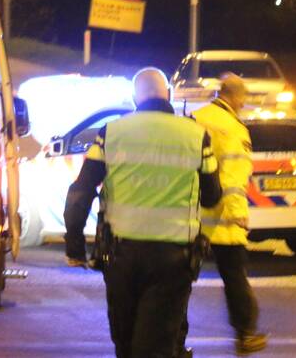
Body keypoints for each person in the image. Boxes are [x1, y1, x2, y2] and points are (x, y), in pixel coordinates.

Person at [64, 68, 221, 358]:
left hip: (121, 257)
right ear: (168, 95)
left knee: (125, 344)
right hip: (173, 259)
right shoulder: (196, 136)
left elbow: (81, 191)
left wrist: (74, 244)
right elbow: (213, 196)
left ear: (135, 97)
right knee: (157, 345)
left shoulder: (111, 133)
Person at [194, 73, 267, 354]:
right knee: (235, 277)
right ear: (235, 97)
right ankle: (246, 335)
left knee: (178, 280)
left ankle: (173, 335)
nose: (243, 104)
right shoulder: (235, 129)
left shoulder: (196, 117)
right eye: (243, 99)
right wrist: (238, 213)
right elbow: (234, 176)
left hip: (192, 218)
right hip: (223, 219)